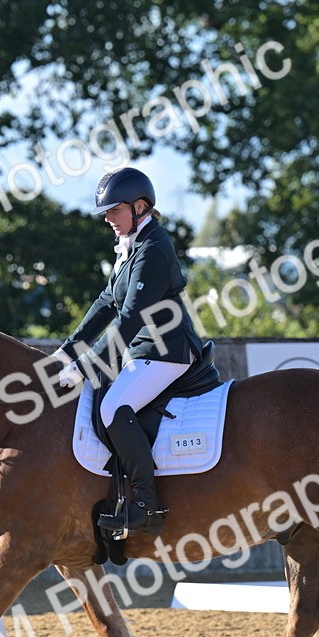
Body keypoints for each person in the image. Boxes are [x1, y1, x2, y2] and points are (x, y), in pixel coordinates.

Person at [54, 167, 205, 535]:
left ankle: (146, 504)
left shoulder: (153, 248)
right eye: (106, 212)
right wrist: (66, 351)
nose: (108, 218)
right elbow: (106, 302)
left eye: (114, 210)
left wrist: (86, 365)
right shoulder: (132, 243)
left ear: (140, 207)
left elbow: (131, 317)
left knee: (113, 408)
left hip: (167, 349)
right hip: (143, 350)